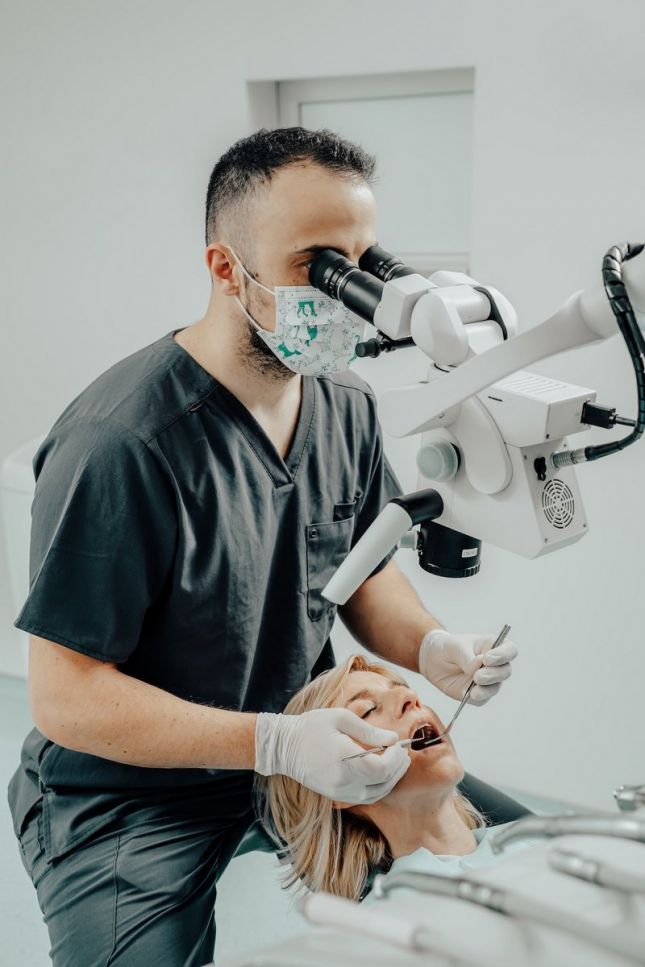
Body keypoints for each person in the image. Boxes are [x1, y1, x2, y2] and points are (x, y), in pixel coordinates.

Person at [8, 126, 519, 966]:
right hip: (131, 791)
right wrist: (274, 742)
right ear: (225, 268)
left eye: (361, 261)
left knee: (526, 866)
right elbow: (66, 699)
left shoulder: (342, 402)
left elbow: (361, 573)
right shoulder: (122, 443)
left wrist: (432, 647)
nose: (347, 291)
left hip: (307, 747)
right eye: (316, 264)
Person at [261, 654, 534, 903]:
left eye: (403, 689)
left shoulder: (540, 842)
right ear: (336, 785)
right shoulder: (391, 918)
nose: (409, 696)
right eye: (368, 709)